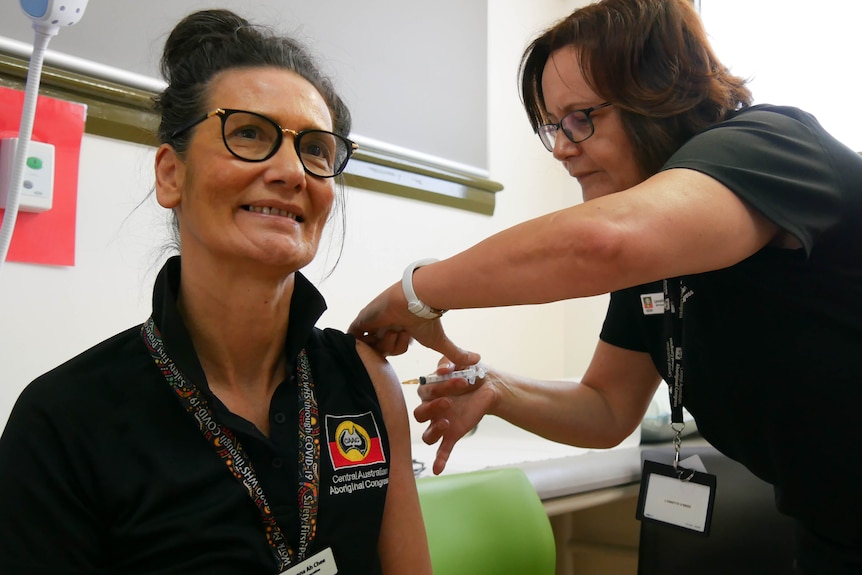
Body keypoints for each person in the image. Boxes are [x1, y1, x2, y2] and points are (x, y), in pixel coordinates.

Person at [348, 0, 862, 573]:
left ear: (662, 95)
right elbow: (607, 406)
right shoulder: (654, 258)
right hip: (833, 530)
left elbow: (602, 243)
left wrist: (417, 291)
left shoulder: (774, 145)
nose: (563, 147)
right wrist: (496, 389)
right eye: (552, 126)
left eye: (581, 119)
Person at [0, 9, 431, 575]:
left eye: (317, 149)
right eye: (249, 132)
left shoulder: (366, 381)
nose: (292, 171)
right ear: (170, 174)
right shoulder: (62, 423)